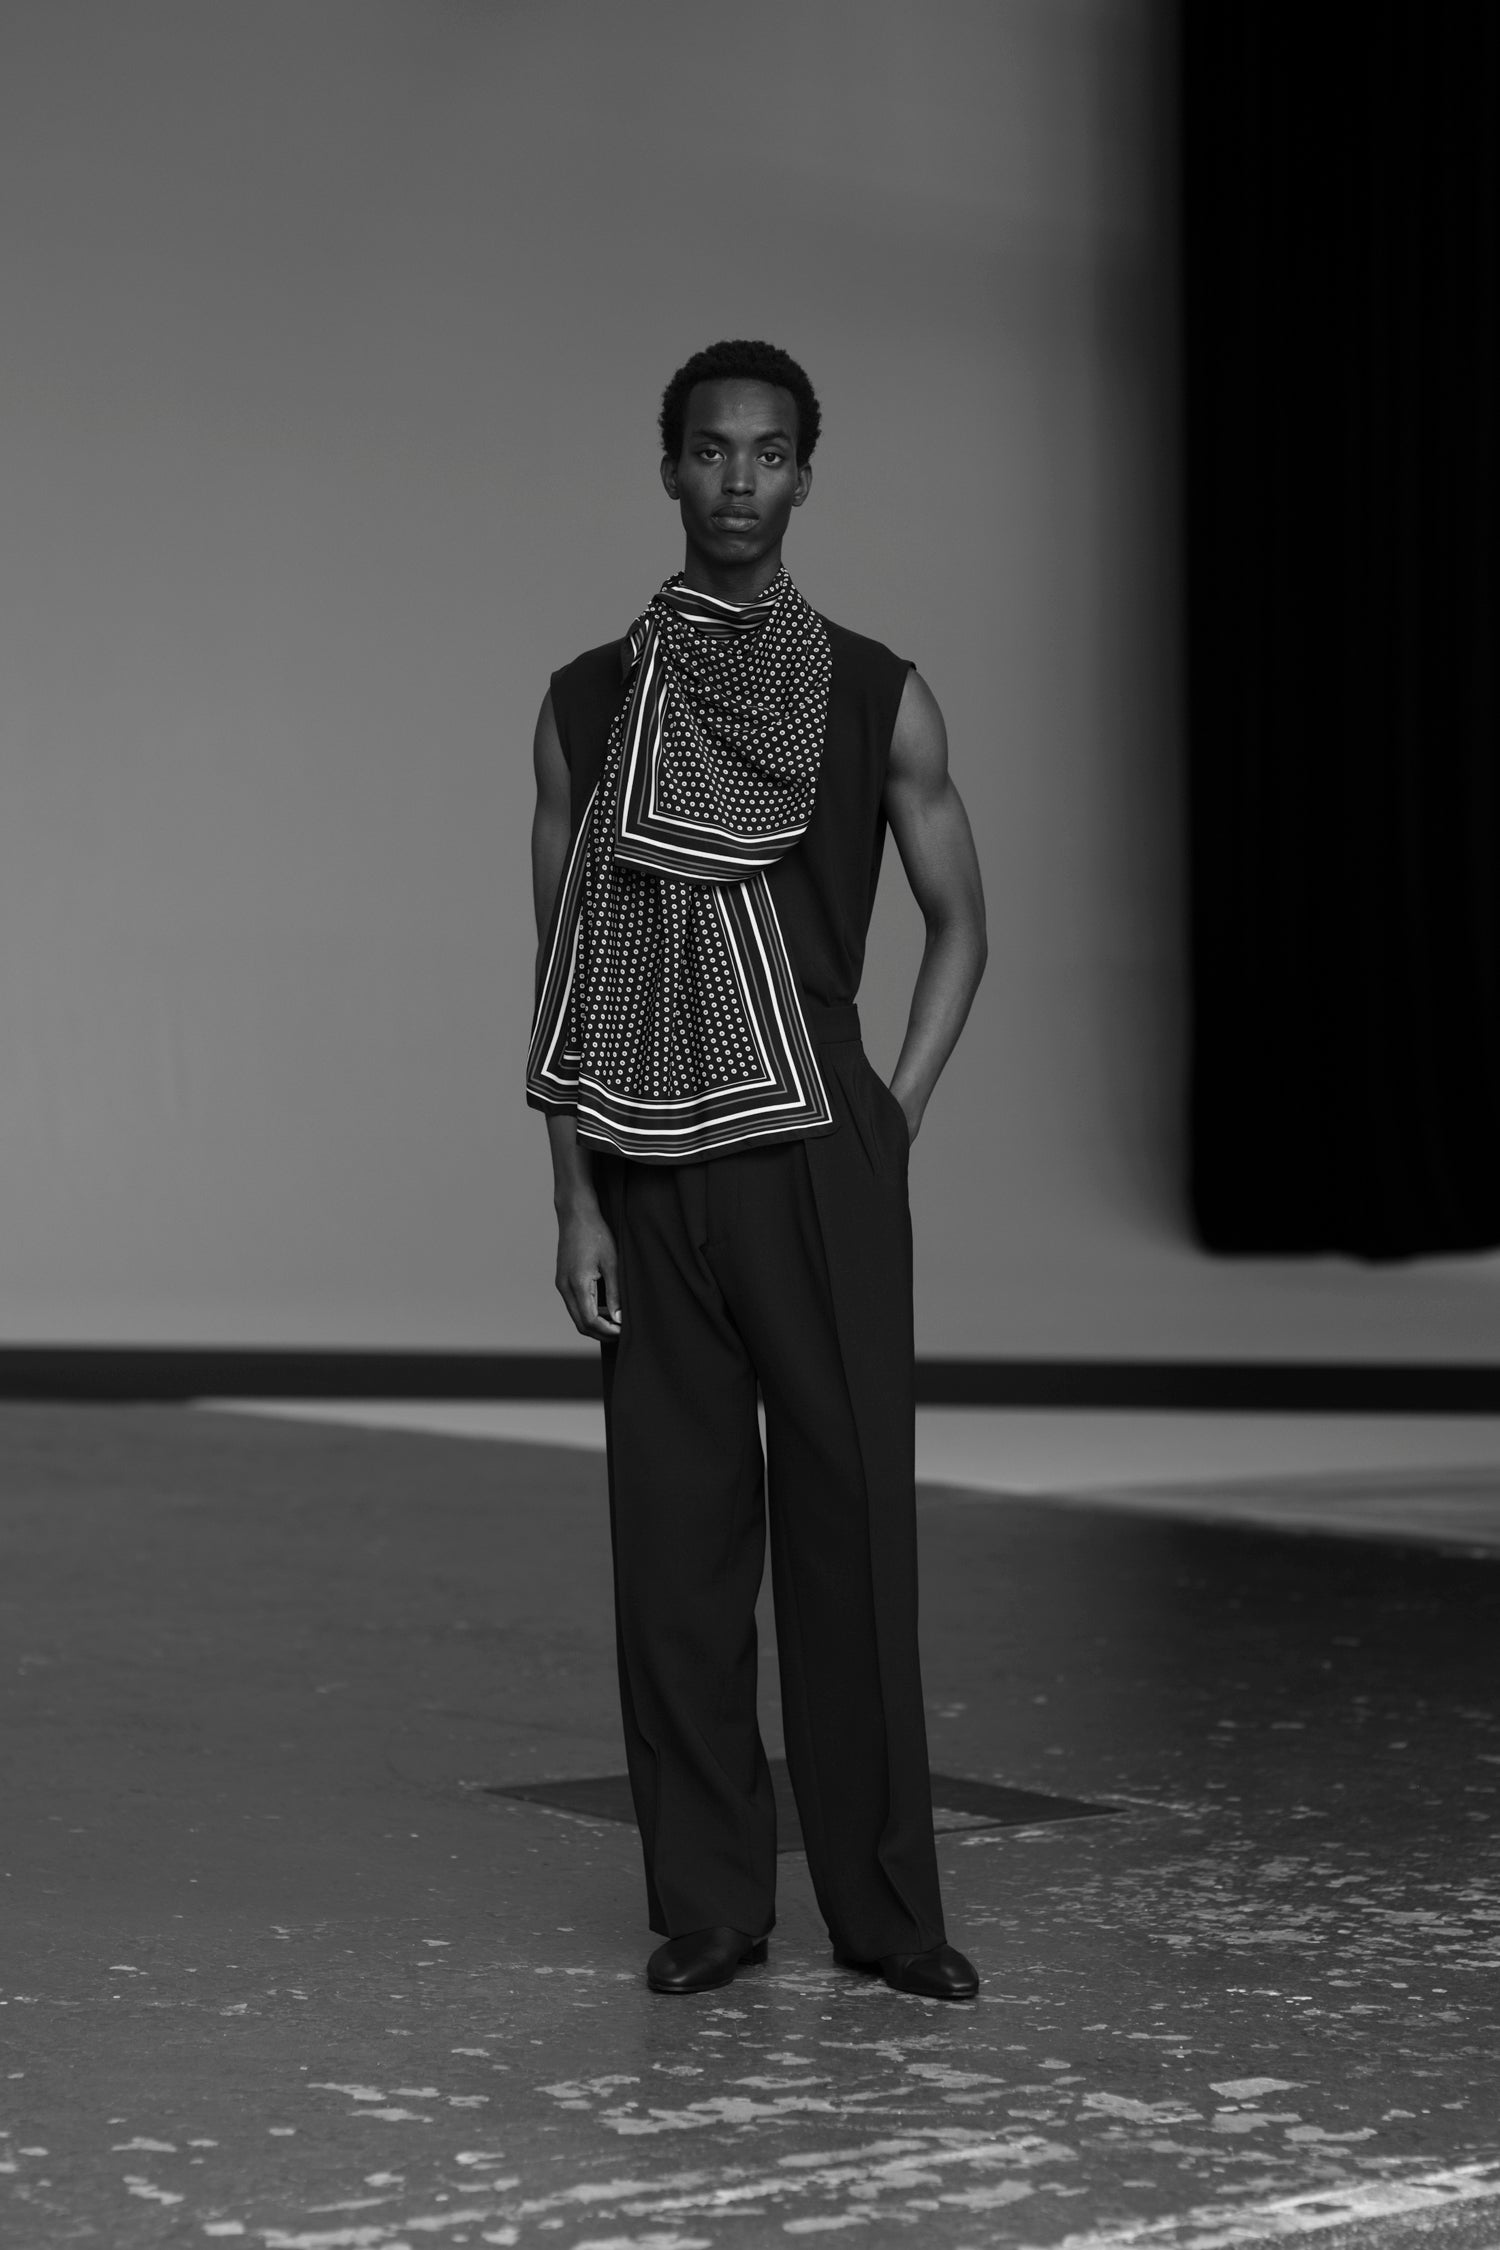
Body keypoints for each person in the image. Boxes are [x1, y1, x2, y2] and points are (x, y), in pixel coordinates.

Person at [528, 339, 988, 1999]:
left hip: (814, 1150)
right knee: (676, 1546)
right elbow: (569, 968)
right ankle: (710, 1901)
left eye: (769, 451)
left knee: (854, 1533)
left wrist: (892, 1115)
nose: (738, 478)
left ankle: (887, 1910)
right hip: (648, 1159)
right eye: (711, 448)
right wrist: (574, 1196)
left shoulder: (877, 690)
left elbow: (962, 923)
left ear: (805, 474)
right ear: (669, 466)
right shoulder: (586, 702)